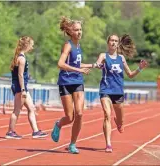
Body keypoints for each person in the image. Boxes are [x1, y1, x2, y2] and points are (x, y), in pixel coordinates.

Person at [51, 16, 99, 154]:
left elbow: (77, 64)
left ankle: (72, 144)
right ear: (70, 32)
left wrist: (92, 65)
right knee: (69, 117)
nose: (79, 32)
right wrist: (79, 70)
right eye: (76, 30)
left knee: (79, 113)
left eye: (80, 29)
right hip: (65, 82)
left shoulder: (79, 46)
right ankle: (59, 124)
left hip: (77, 81)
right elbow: (60, 64)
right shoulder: (68, 45)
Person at [95, 34, 148, 153]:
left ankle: (119, 123)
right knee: (107, 115)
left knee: (120, 120)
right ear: (108, 43)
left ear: (118, 44)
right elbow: (98, 64)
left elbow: (130, 74)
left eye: (116, 41)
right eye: (111, 40)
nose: (113, 43)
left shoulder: (121, 58)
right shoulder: (103, 56)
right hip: (105, 90)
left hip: (118, 92)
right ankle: (108, 144)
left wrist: (139, 68)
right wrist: (98, 65)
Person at [5, 36, 48, 139]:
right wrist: (23, 90)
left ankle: (36, 131)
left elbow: (21, 74)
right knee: (17, 110)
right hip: (21, 88)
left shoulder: (20, 57)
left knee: (31, 108)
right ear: (26, 45)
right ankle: (10, 132)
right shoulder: (21, 59)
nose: (32, 47)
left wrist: (26, 77)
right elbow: (20, 75)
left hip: (22, 86)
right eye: (31, 45)